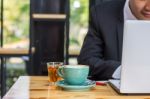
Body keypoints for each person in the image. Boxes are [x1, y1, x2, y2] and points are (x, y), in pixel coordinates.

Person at [78, 0, 150, 80]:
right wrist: (123, 71)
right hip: (114, 91)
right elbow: (86, 61)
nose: (148, 7)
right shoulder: (102, 14)